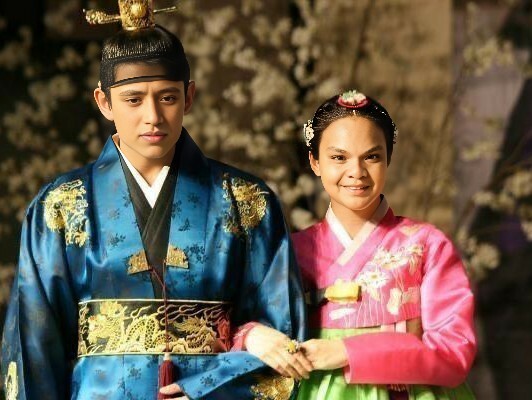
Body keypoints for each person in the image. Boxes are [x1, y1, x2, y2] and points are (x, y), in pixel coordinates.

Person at [0, 2, 307, 399]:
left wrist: (203, 388)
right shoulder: (61, 206)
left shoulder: (246, 201)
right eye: (133, 99)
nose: (153, 117)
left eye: (167, 97)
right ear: (104, 102)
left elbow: (284, 334)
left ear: (189, 97)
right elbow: (33, 346)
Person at [290, 90, 477, 399]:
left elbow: (453, 353)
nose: (356, 172)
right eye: (339, 157)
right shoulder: (292, 251)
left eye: (372, 157)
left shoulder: (426, 245)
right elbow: (250, 331)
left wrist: (345, 351)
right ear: (315, 161)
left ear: (388, 159)